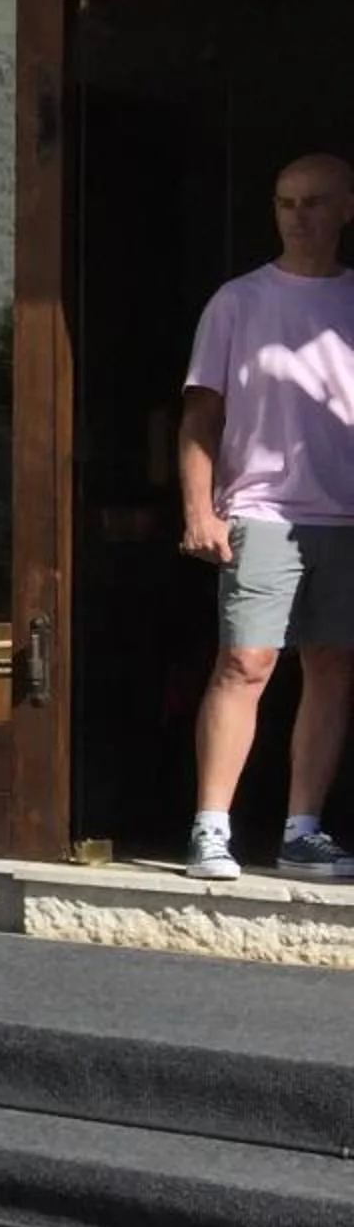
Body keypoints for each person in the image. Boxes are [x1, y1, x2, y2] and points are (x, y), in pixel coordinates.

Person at [179, 152, 354, 882]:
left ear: (347, 208)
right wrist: (198, 508)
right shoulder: (238, 302)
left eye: (314, 202)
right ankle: (210, 829)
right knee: (245, 662)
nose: (299, 216)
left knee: (332, 667)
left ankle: (301, 831)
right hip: (260, 510)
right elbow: (200, 416)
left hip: (345, 517)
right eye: (285, 203)